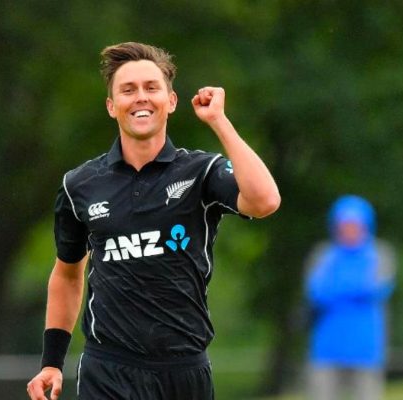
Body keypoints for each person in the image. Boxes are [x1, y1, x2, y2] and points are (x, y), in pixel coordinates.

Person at [26, 41, 280, 400]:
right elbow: (67, 275)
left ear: (171, 101)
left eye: (151, 87)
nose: (141, 98)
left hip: (183, 370)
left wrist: (219, 122)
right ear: (112, 106)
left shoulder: (200, 172)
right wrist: (52, 362)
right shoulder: (79, 185)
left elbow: (265, 201)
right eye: (128, 90)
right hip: (108, 370)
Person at [304, 195, 396, 400]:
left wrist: (337, 288)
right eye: (344, 225)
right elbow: (316, 293)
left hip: (366, 348)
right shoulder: (324, 255)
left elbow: (377, 288)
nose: (349, 230)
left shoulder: (379, 254)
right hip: (327, 347)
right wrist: (355, 289)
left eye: (355, 225)